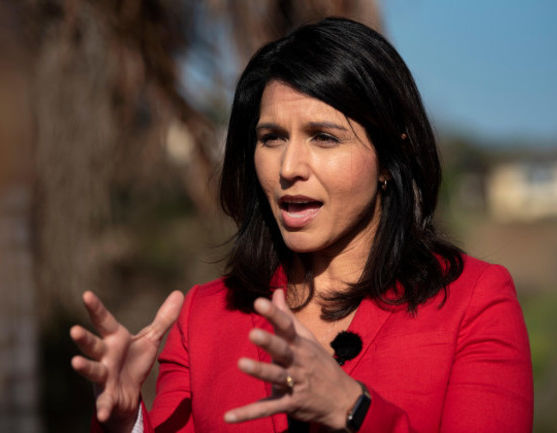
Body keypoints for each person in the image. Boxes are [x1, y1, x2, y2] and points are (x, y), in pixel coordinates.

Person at [70, 17, 533, 433]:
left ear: (391, 156)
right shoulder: (205, 317)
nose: (290, 166)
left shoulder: (474, 302)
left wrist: (353, 411)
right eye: (271, 138)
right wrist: (127, 421)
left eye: (324, 138)